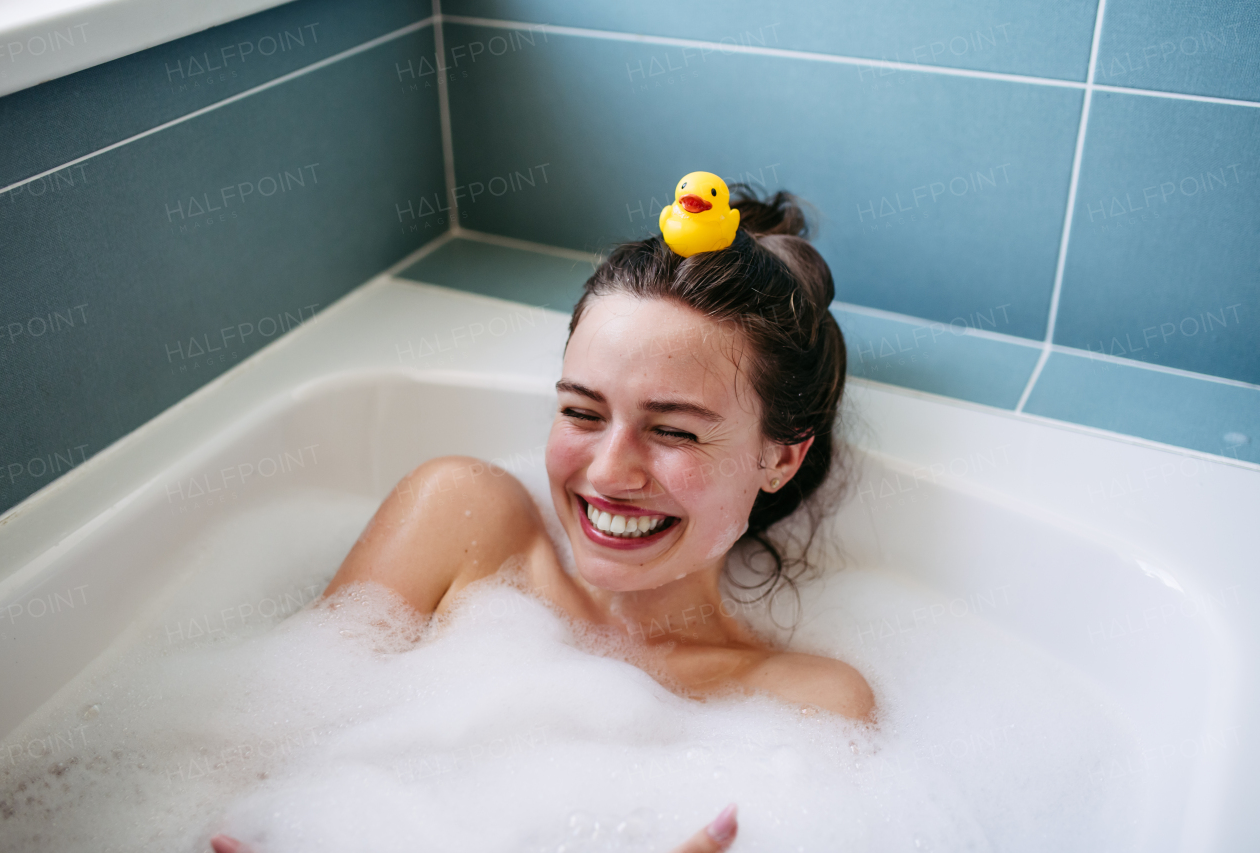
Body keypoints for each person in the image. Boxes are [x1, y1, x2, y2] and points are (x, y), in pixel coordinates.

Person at [211, 187, 872, 852]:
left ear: (780, 459)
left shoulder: (808, 707)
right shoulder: (461, 518)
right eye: (582, 412)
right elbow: (250, 769)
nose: (610, 472)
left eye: (672, 430)